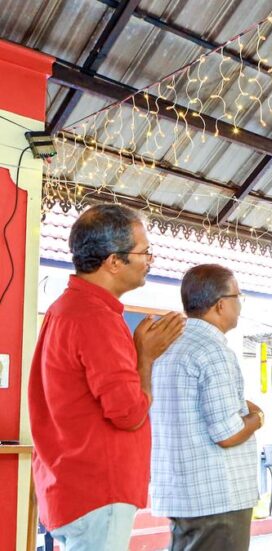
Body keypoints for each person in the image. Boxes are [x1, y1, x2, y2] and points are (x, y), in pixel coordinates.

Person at [29, 204, 184, 550]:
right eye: (145, 252)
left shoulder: (66, 309)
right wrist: (146, 358)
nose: (150, 261)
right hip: (98, 488)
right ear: (114, 262)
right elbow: (128, 413)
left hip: (71, 485)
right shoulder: (96, 317)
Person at [150, 264, 262, 550]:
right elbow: (227, 433)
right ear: (221, 304)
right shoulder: (213, 350)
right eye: (239, 296)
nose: (240, 304)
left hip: (182, 494)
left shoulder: (167, 345)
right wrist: (256, 417)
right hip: (218, 497)